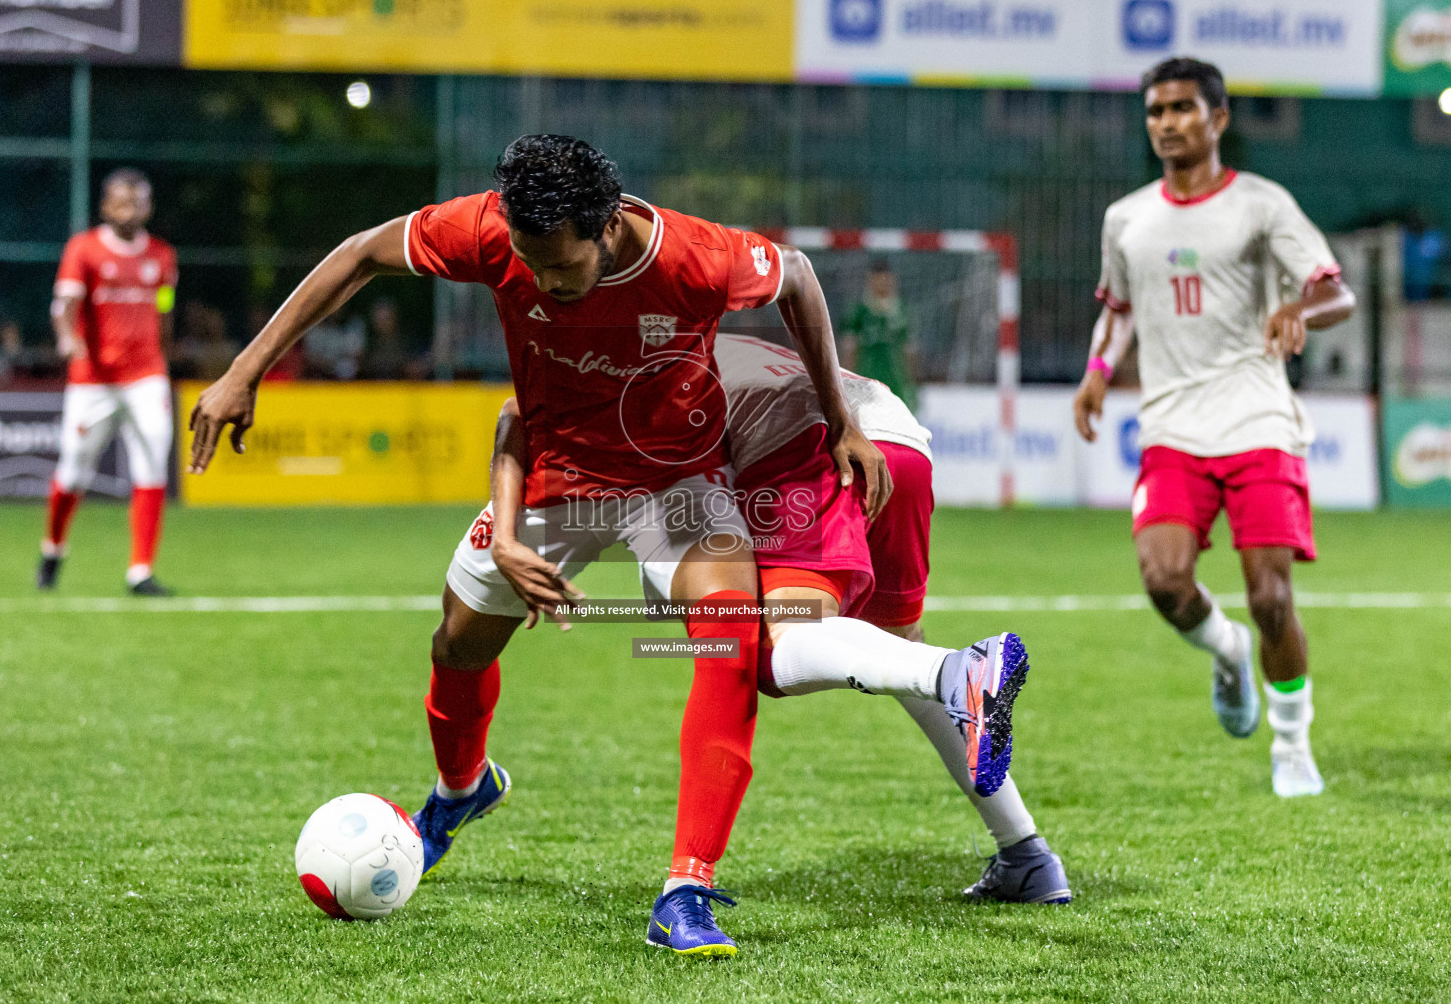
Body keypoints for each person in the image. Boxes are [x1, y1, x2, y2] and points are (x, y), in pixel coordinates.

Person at [186, 135, 892, 957]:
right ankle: (461, 789)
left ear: (609, 227)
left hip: (677, 480)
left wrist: (840, 416)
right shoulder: (490, 232)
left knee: (728, 632)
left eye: (561, 269)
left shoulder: (697, 257)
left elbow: (799, 277)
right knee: (457, 642)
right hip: (554, 475)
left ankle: (687, 889)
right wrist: (246, 371)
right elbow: (358, 256)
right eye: (528, 264)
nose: (543, 286)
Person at [497, 332, 1072, 907]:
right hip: (897, 444)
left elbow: (543, 431)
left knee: (766, 652)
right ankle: (1026, 854)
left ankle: (958, 672)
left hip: (813, 449)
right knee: (900, 649)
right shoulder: (670, 329)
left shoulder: (609, 376)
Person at [1071, 58, 1355, 798]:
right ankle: (1228, 652)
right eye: (1155, 111)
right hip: (1171, 427)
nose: (1166, 122)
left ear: (1219, 119)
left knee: (1272, 598)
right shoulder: (1127, 218)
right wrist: (1099, 371)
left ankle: (1291, 746)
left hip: (1257, 418)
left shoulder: (1262, 205)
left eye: (1182, 109)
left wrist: (1301, 309)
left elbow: (1335, 289)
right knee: (1164, 581)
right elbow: (1120, 307)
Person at [38, 168, 178, 596]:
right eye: (120, 202)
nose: (129, 209)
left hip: (146, 376)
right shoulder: (84, 249)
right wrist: (67, 337)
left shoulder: (163, 256)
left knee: (153, 462)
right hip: (93, 379)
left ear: (149, 207)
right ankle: (54, 548)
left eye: (137, 202)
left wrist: (166, 356)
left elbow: (165, 308)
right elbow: (64, 304)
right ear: (105, 206)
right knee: (74, 470)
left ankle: (141, 571)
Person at [840, 258, 915, 408]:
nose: (882, 283)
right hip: (866, 382)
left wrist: (911, 383)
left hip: (896, 383)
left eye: (886, 279)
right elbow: (849, 349)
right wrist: (846, 382)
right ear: (870, 281)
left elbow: (909, 350)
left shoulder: (902, 311)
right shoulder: (859, 312)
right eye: (877, 279)